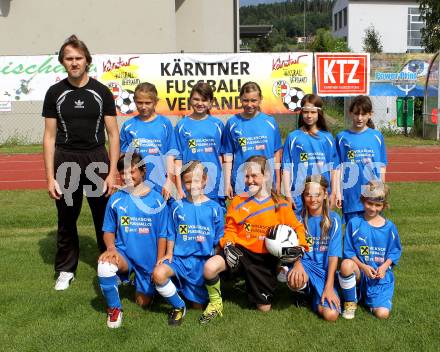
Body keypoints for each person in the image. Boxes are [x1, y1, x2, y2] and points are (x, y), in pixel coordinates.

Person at [42, 35, 119, 291]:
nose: (74, 63)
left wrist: (112, 173)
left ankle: (108, 265)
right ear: (62, 62)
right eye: (69, 58)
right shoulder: (55, 93)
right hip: (66, 162)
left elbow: (113, 134)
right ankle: (65, 269)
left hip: (96, 160)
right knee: (67, 217)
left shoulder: (101, 92)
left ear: (87, 60)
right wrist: (50, 176)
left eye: (78, 58)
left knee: (103, 217)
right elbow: (49, 136)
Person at [198, 155, 307, 324]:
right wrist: (227, 245)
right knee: (210, 267)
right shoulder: (238, 201)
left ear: (267, 176)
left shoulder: (281, 204)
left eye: (254, 175)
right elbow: (230, 229)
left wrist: (300, 247)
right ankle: (215, 303)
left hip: (264, 260)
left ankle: (276, 269)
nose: (249, 180)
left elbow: (298, 228)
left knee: (264, 308)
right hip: (241, 253)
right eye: (247, 176)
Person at [98, 152, 168, 328]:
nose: (127, 177)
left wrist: (159, 262)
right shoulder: (115, 199)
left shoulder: (157, 200)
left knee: (143, 303)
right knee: (104, 266)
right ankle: (115, 309)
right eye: (123, 173)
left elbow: (162, 234)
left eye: (132, 172)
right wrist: (111, 248)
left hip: (148, 260)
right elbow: (107, 229)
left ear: (143, 171)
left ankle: (142, 281)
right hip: (124, 255)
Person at [153, 160, 224, 326]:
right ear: (182, 183)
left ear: (205, 180)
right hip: (179, 260)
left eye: (197, 180)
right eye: (188, 181)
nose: (193, 185)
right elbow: (172, 232)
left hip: (202, 262)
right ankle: (179, 306)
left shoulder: (215, 208)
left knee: (198, 307)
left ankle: (194, 293)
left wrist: (216, 260)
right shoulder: (177, 206)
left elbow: (219, 238)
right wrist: (169, 253)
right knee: (158, 274)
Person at [338, 181, 401, 320]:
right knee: (346, 265)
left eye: (378, 205)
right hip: (360, 272)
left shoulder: (390, 227)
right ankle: (350, 303)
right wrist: (363, 267)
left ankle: (370, 298)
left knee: (382, 314)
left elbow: (394, 252)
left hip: (379, 277)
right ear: (363, 200)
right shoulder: (354, 224)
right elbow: (349, 252)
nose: (373, 208)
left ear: (384, 205)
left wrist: (384, 267)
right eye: (369, 203)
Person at [286, 175, 342, 322]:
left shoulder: (334, 219)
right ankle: (302, 291)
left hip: (325, 271)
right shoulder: (298, 218)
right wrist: (297, 264)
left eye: (317, 195)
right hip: (304, 266)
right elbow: (294, 246)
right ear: (303, 196)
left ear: (325, 195)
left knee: (331, 315)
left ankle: (312, 296)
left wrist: (329, 286)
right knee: (293, 277)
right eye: (308, 195)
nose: (313, 199)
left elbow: (333, 255)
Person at [282, 94, 339, 217]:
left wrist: (333, 193)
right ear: (301, 112)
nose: (309, 115)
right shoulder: (293, 137)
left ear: (319, 113)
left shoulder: (327, 138)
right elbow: (286, 168)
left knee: (321, 231)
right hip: (298, 195)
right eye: (306, 112)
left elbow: (334, 168)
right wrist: (287, 193)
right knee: (299, 232)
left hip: (321, 195)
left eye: (313, 112)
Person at [222, 81, 282, 198]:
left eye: (253, 100)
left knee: (266, 215)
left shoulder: (270, 122)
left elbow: (277, 154)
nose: (249, 104)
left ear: (260, 99)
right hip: (242, 182)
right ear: (240, 99)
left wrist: (278, 181)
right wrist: (227, 183)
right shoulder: (232, 123)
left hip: (266, 181)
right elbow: (227, 157)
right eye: (246, 100)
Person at [119, 82, 176, 200]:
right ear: (134, 101)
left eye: (148, 103)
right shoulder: (128, 126)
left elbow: (171, 155)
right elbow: (124, 157)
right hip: (135, 185)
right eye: (140, 102)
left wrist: (169, 181)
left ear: (155, 102)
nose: (143, 106)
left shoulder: (165, 124)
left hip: (160, 184)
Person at [336, 95, 387, 224]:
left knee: (371, 230)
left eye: (363, 114)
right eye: (356, 114)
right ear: (350, 113)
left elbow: (382, 166)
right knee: (352, 231)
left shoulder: (376, 136)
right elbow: (337, 168)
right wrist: (337, 191)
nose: (359, 118)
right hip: (351, 192)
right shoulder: (342, 137)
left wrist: (381, 189)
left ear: (370, 114)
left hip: (372, 192)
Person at [173, 82, 225, 205]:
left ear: (211, 102)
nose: (200, 103)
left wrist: (224, 184)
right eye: (196, 99)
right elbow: (178, 160)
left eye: (204, 100)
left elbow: (223, 158)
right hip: (190, 185)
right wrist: (180, 188)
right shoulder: (181, 126)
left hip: (214, 184)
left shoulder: (218, 125)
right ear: (190, 100)